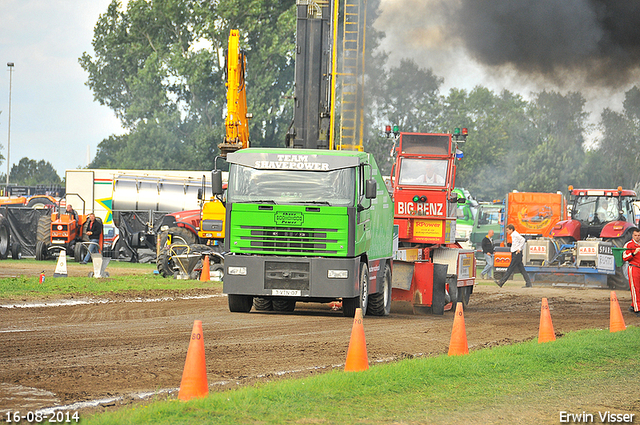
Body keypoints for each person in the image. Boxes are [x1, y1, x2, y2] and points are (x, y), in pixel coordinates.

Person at [622, 227, 640, 316]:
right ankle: (638, 310)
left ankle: (633, 306)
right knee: (635, 288)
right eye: (635, 235)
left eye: (638, 235)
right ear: (632, 235)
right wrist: (633, 253)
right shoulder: (628, 245)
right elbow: (624, 257)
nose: (637, 237)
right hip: (634, 267)